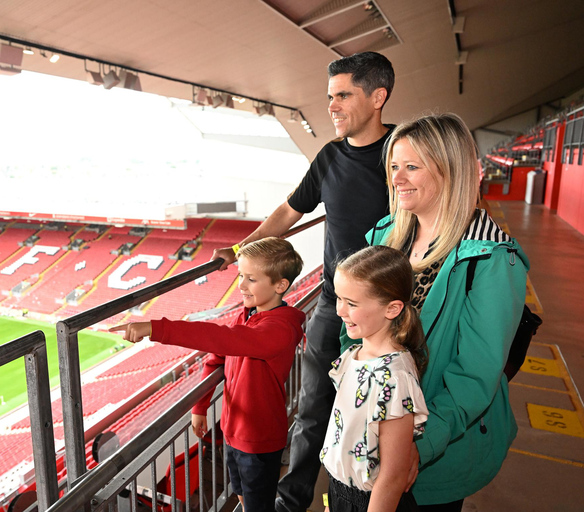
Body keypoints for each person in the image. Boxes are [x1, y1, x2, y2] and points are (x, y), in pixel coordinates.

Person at [211, 51, 396, 512]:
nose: (331, 106)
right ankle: (292, 502)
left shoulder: (402, 154)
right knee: (313, 408)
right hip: (334, 305)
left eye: (343, 95)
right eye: (330, 96)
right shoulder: (330, 156)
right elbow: (289, 211)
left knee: (381, 412)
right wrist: (241, 250)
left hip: (387, 311)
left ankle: (369, 494)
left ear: (378, 97)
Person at [342, 113, 529, 510]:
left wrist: (419, 446)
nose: (397, 178)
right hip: (367, 432)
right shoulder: (385, 234)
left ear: (451, 170)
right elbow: (352, 321)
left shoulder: (491, 258)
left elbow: (475, 374)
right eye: (394, 166)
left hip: (432, 453)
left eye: (412, 167)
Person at [110, 237, 306, 512]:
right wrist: (200, 406)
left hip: (259, 439)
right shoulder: (246, 314)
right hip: (232, 431)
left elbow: (221, 339)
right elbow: (216, 359)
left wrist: (156, 329)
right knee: (241, 492)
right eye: (240, 275)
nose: (240, 285)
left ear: (280, 285)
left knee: (258, 504)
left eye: (251, 279)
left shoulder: (280, 330)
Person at [322, 245, 428, 512]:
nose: (340, 310)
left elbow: (392, 477)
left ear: (392, 309)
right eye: (339, 298)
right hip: (339, 493)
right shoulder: (354, 355)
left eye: (352, 303)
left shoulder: (394, 378)